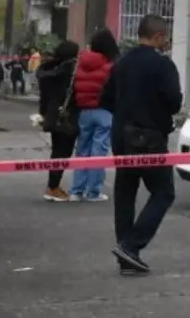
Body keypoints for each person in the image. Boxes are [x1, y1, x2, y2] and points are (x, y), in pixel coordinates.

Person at [101, 14, 182, 274]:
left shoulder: (121, 64)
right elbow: (174, 103)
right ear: (158, 36)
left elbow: (106, 99)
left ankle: (126, 252)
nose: (167, 41)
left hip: (121, 136)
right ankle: (132, 245)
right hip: (149, 139)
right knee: (163, 192)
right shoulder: (162, 65)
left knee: (125, 192)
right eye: (165, 37)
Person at [69, 28, 119, 202]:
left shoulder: (81, 63)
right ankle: (94, 192)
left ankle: (76, 191)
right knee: (99, 151)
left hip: (84, 111)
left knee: (82, 150)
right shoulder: (110, 66)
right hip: (104, 112)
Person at [36, 40, 81, 202]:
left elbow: (44, 97)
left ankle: (53, 186)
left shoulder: (47, 70)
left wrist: (44, 114)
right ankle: (53, 188)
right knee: (63, 152)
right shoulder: (70, 71)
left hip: (52, 115)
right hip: (66, 115)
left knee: (57, 151)